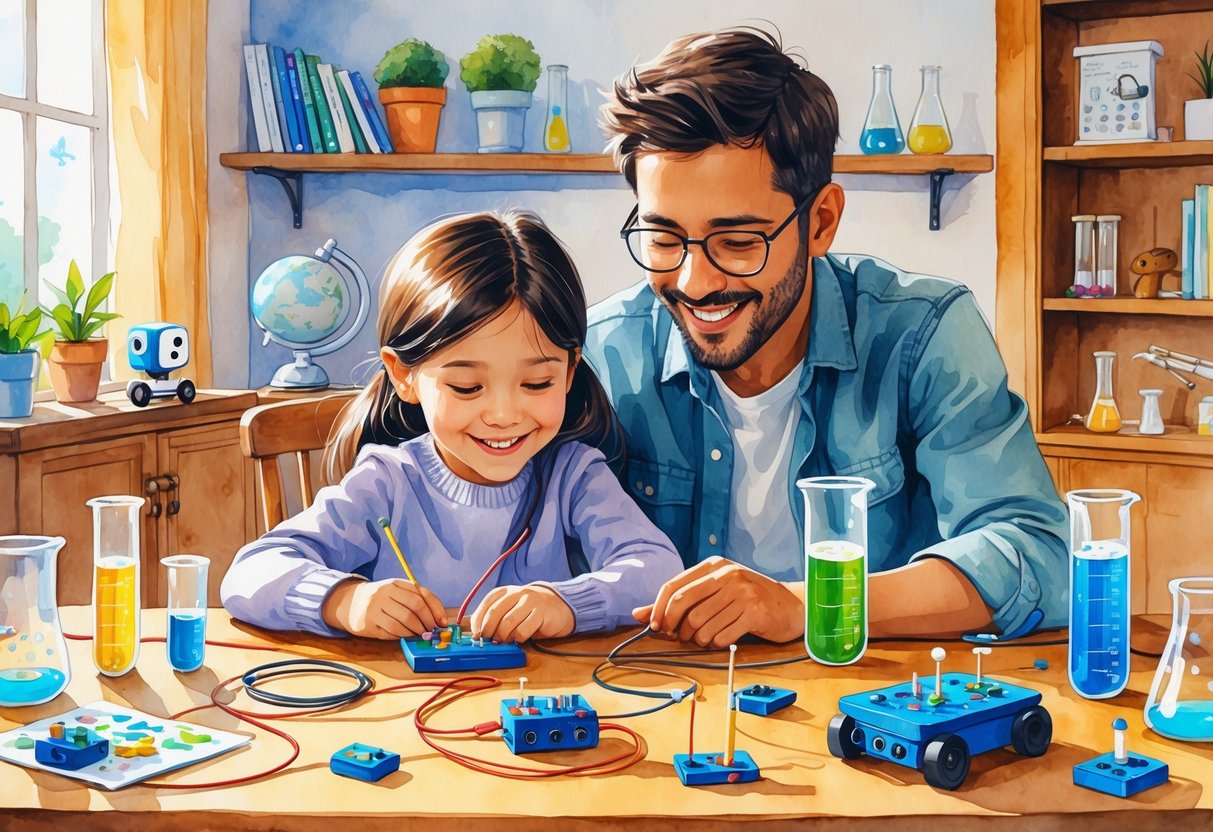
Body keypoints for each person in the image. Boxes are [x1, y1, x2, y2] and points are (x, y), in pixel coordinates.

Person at [584, 28, 1068, 648]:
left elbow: (1035, 553)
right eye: (663, 238)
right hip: (664, 708)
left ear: (822, 222)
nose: (694, 280)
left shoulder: (924, 334)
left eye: (737, 242)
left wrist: (802, 605)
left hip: (876, 706)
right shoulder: (602, 354)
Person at [222, 210, 682, 643]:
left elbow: (658, 569)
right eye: (466, 387)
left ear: (569, 370)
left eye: (538, 382)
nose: (503, 414)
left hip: (535, 708)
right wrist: (345, 600)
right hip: (402, 711)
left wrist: (566, 602)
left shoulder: (574, 476)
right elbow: (250, 572)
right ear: (404, 375)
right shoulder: (387, 481)